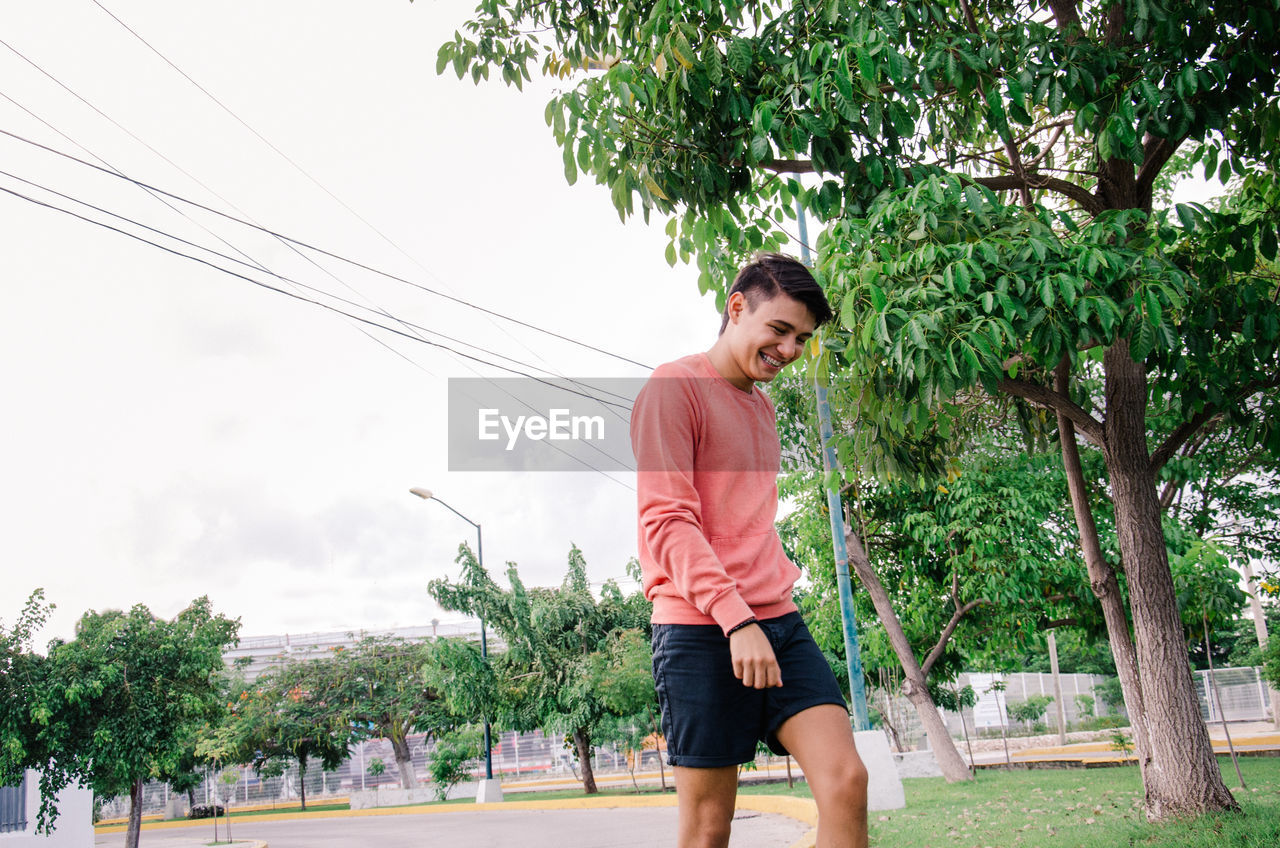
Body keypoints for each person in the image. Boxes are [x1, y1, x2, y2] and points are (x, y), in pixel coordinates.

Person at [631, 253, 869, 848]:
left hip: (777, 621)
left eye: (802, 339)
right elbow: (667, 521)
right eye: (780, 330)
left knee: (846, 780)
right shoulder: (675, 386)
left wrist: (762, 612)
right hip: (700, 629)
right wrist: (735, 619)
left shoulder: (762, 408)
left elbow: (747, 520)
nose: (789, 349)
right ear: (737, 307)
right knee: (709, 828)